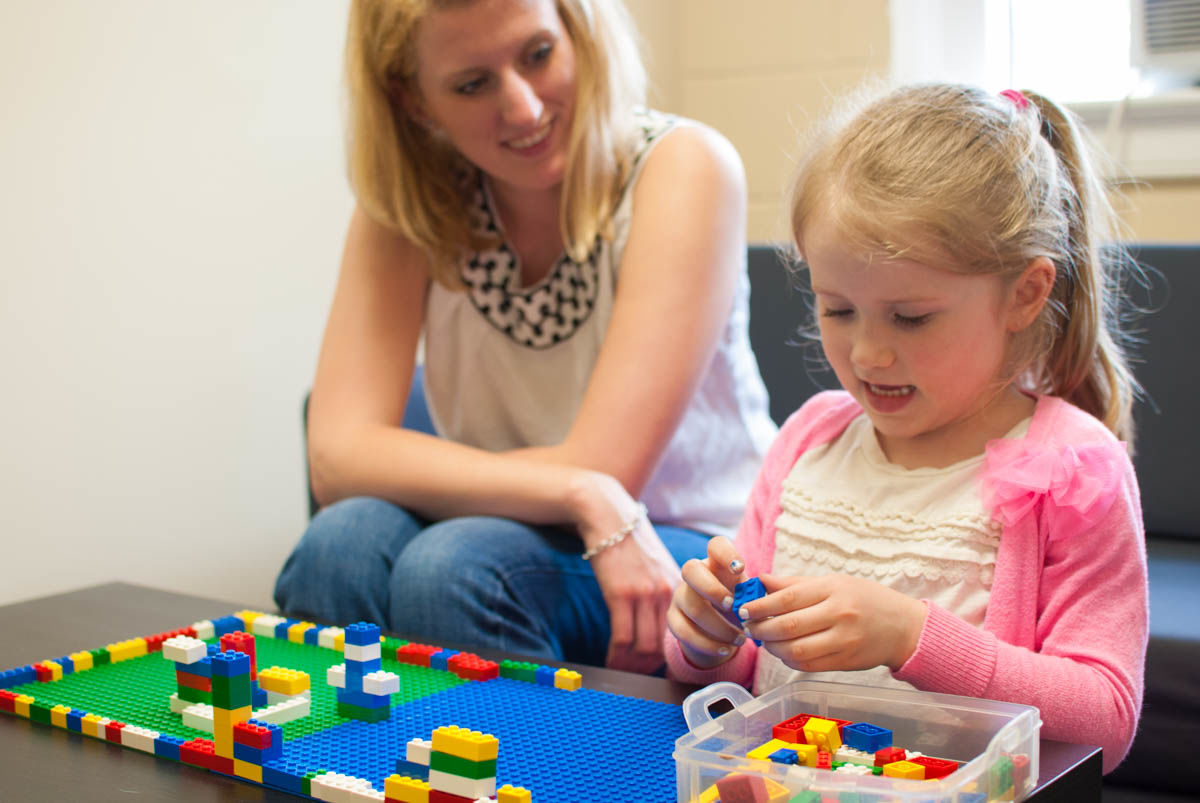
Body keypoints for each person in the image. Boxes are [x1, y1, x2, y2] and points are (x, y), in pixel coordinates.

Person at [273, 0, 777, 675]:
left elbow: (607, 463)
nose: (524, 108)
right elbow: (336, 457)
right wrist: (579, 490)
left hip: (685, 545)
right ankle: (357, 776)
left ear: (577, 31)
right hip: (511, 521)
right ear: (413, 99)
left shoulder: (685, 167)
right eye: (472, 84)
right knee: (340, 544)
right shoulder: (410, 204)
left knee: (452, 569)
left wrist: (591, 486)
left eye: (538, 55)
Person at [664, 83, 1148, 772]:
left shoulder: (1074, 467)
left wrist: (912, 635)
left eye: (910, 317)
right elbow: (739, 669)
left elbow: (1105, 716)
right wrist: (706, 635)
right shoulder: (810, 440)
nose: (867, 353)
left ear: (1025, 294)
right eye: (837, 310)